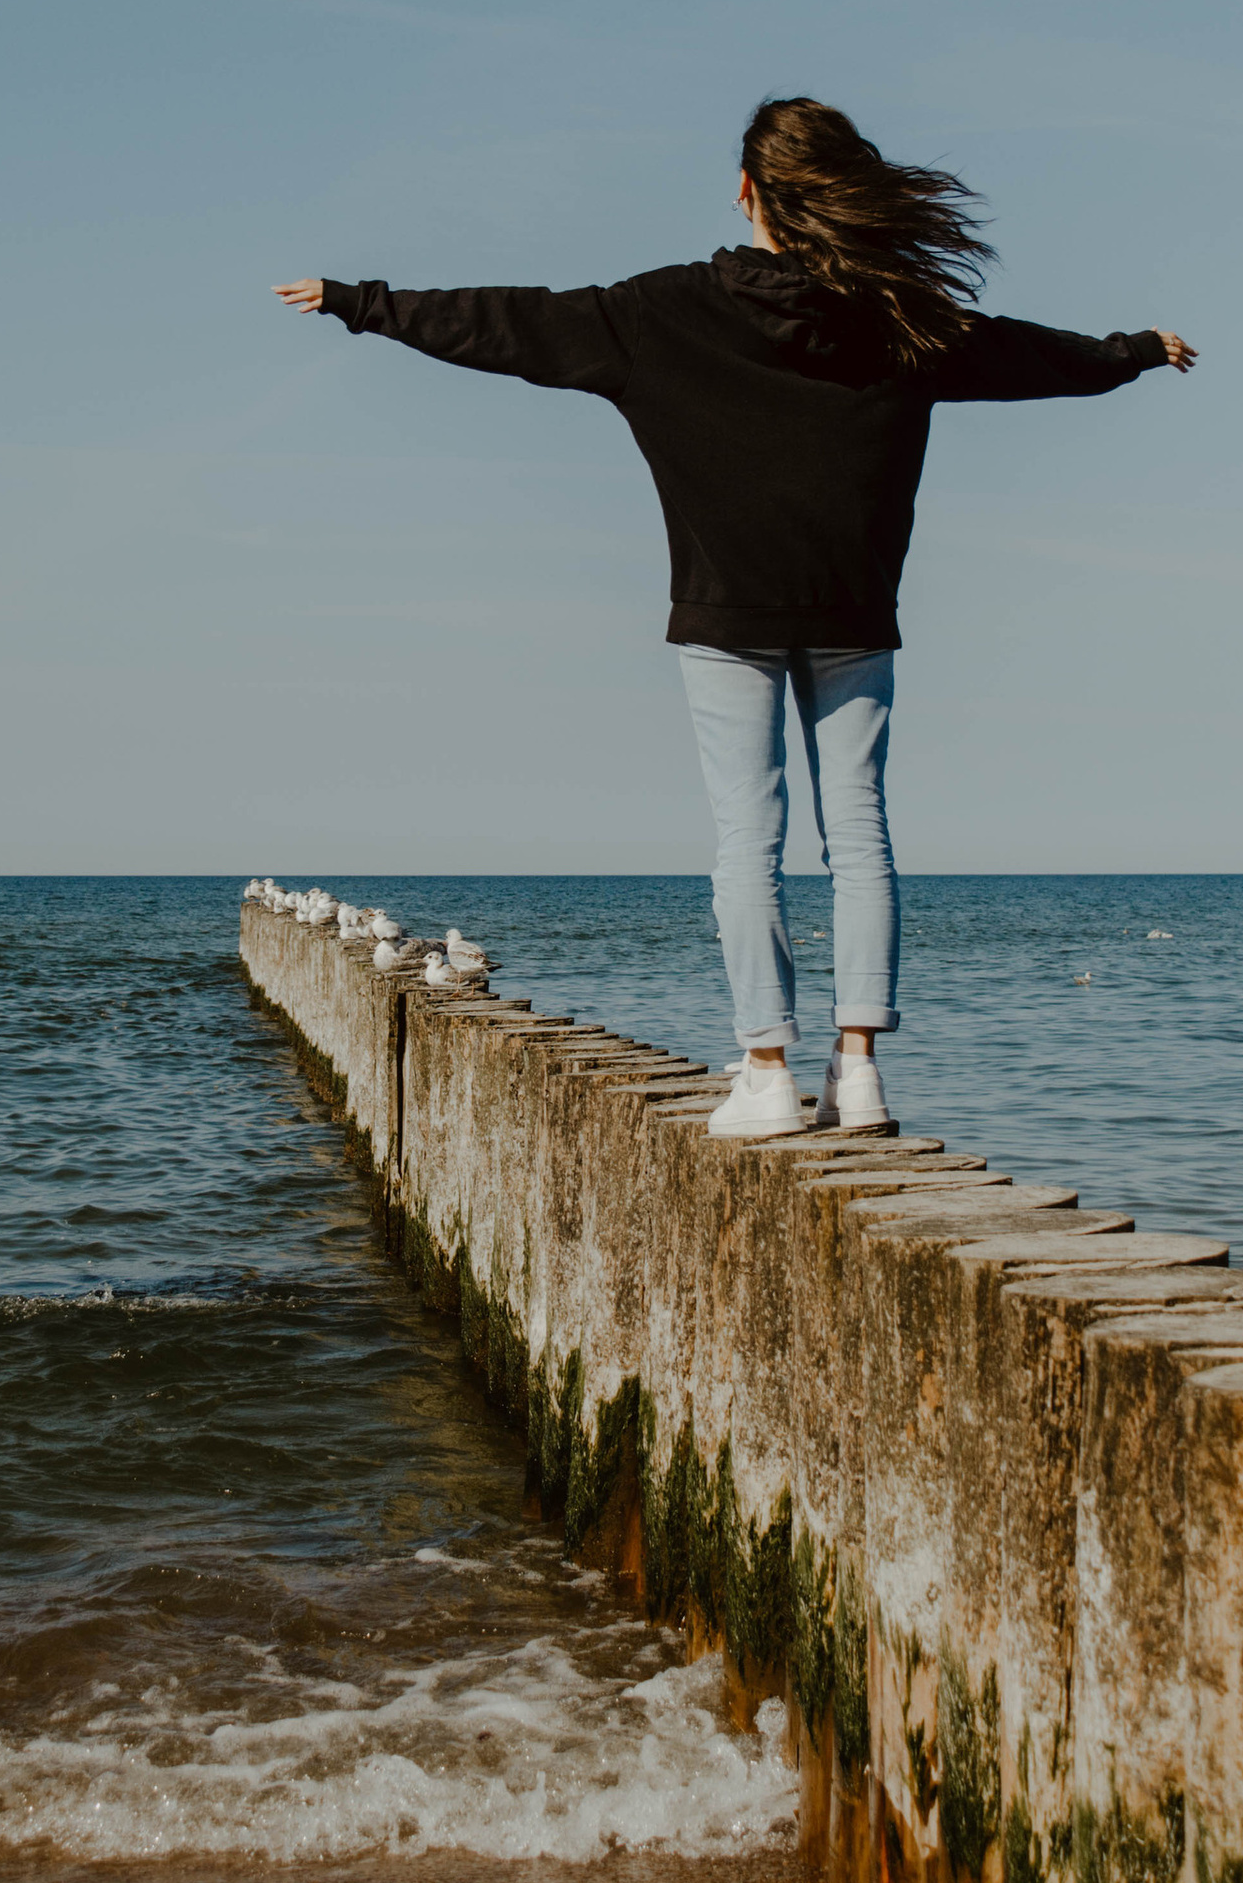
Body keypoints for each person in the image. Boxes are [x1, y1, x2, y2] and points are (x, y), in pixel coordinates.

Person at [274, 96, 1194, 1138]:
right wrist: (1133, 349)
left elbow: (509, 323)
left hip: (726, 617)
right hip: (854, 611)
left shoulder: (661, 311)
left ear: (754, 194)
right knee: (859, 836)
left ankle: (765, 1072)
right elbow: (1037, 356)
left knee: (747, 844)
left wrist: (363, 301)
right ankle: (859, 1079)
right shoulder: (903, 320)